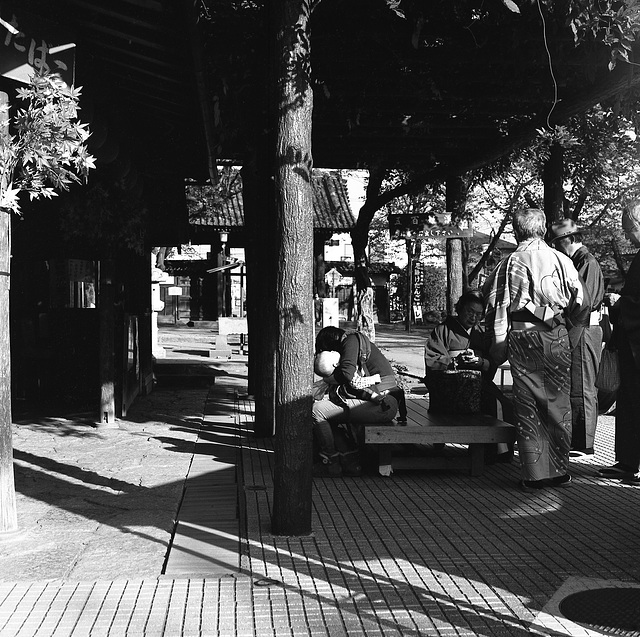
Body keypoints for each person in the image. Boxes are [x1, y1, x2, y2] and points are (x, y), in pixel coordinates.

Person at [482, 207, 590, 492]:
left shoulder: (509, 263)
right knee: (557, 402)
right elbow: (582, 300)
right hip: (555, 334)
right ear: (542, 230)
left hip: (523, 337)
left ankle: (534, 474)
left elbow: (496, 306)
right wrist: (571, 327)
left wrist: (498, 345)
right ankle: (558, 470)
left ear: (517, 231)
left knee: (527, 405)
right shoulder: (561, 259)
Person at [423, 289, 514, 463]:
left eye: (478, 314)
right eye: (470, 312)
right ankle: (491, 451)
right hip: (450, 386)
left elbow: (491, 362)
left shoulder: (481, 333)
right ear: (460, 309)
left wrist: (480, 362)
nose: (474, 318)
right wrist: (454, 361)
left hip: (479, 383)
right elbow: (432, 360)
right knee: (490, 403)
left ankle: (499, 451)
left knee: (505, 404)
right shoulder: (443, 330)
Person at [312, 326, 405, 477]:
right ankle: (348, 458)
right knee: (326, 413)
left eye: (326, 350)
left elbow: (347, 374)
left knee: (316, 411)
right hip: (380, 402)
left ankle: (331, 462)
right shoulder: (351, 341)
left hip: (382, 403)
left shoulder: (350, 341)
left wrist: (328, 379)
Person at [548, 218, 605, 457]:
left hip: (582, 328)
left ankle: (584, 443)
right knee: (577, 383)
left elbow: (582, 303)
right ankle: (579, 440)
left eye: (558, 242)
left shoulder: (586, 262)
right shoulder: (580, 261)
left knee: (582, 385)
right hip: (579, 328)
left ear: (567, 239)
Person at [599, 200, 640, 483]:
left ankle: (629, 462)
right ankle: (626, 461)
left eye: (629, 230)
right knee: (627, 402)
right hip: (630, 343)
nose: (626, 236)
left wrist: (620, 302)